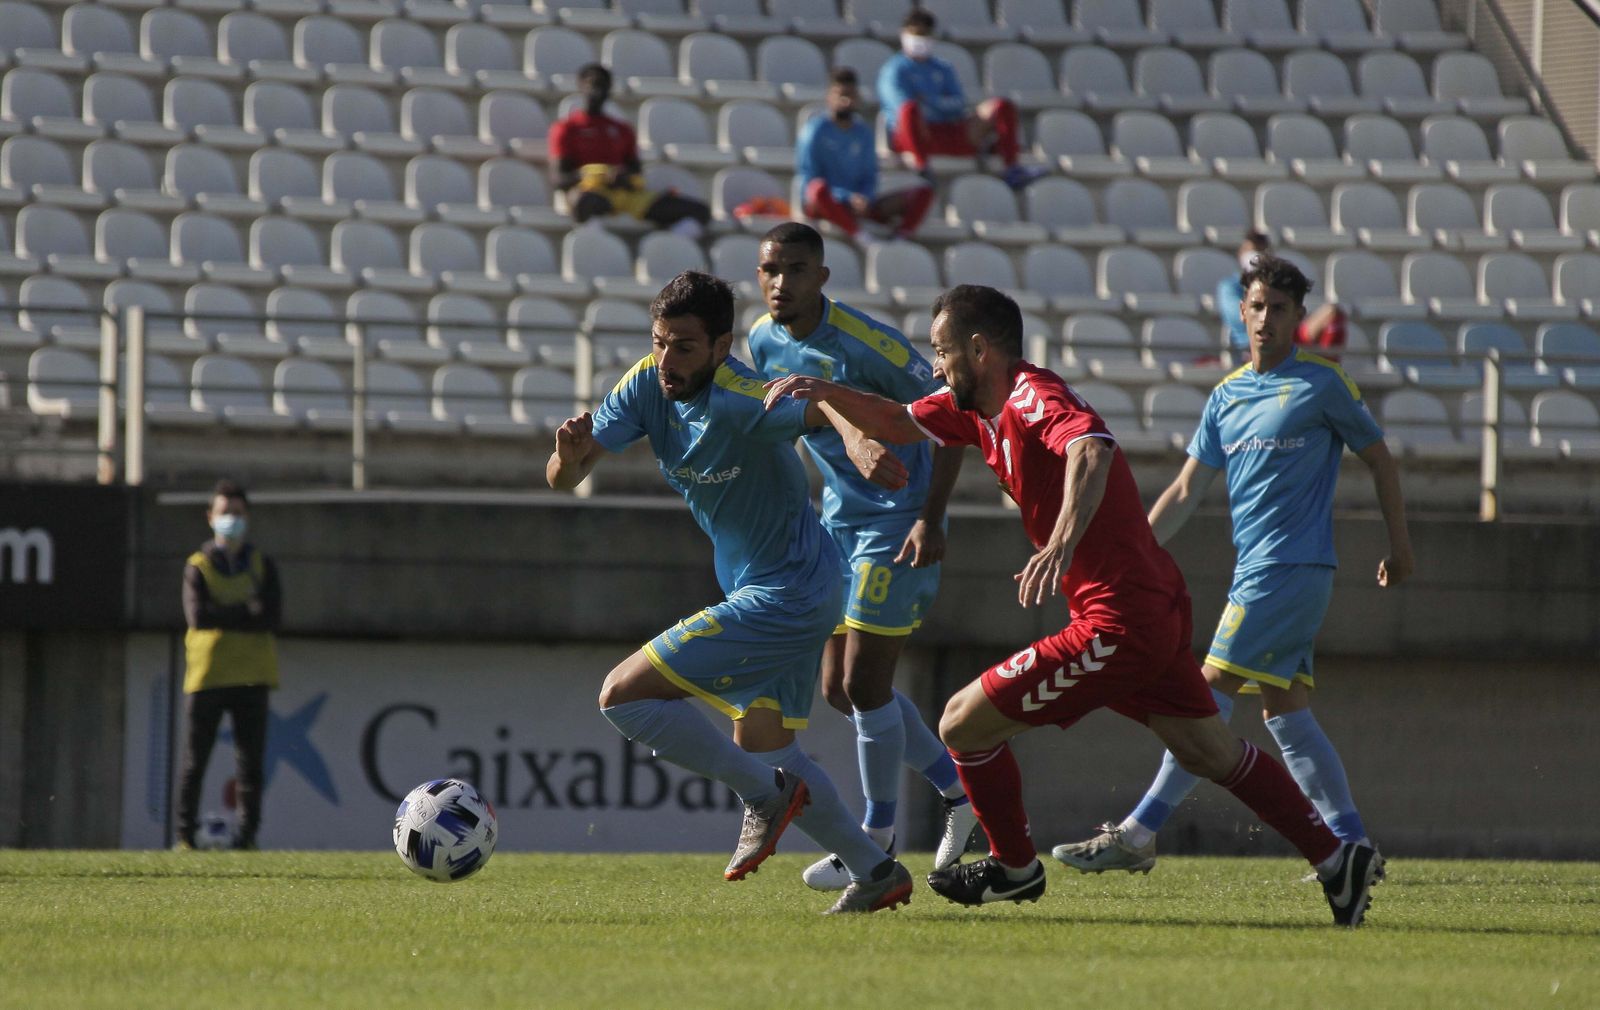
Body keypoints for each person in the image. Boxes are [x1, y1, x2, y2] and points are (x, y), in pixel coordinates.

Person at [763, 284, 1386, 927]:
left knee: (961, 724)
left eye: (943, 351)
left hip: (1119, 617)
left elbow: (1091, 447)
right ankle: (1337, 858)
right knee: (1209, 751)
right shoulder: (972, 407)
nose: (937, 363)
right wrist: (825, 392)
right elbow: (894, 421)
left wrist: (1061, 541)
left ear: (980, 350)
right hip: (1149, 605)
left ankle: (1013, 868)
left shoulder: (1032, 394)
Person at [545, 270, 913, 915]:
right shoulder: (645, 384)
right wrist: (570, 456)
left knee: (622, 696)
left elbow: (814, 402)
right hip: (783, 584)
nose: (667, 359)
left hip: (791, 592)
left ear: (721, 347)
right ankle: (874, 869)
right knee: (768, 745)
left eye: (684, 346)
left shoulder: (742, 395)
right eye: (659, 341)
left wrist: (856, 439)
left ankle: (766, 795)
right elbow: (562, 479)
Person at [1052, 255, 1414, 877]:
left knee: (1204, 694)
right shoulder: (1226, 395)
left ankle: (1138, 833)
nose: (1265, 318)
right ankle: (1354, 845)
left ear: (1300, 317)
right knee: (1286, 710)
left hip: (1290, 566)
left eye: (1279, 308)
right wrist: (1130, 547)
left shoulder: (1322, 383)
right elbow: (1188, 489)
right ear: (1240, 312)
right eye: (1256, 306)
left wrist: (1400, 546)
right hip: (1264, 567)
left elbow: (1380, 459)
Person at [745, 222, 977, 891]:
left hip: (897, 524)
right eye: (770, 270)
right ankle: (959, 795)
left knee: (868, 685)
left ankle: (873, 841)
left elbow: (951, 418)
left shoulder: (866, 343)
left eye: (795, 269)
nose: (781, 283)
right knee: (837, 689)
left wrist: (932, 518)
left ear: (822, 276)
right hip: (838, 525)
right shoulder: (763, 341)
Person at [176, 479, 281, 851]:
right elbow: (198, 616)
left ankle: (247, 838)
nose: (231, 520)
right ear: (210, 517)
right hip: (208, 675)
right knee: (195, 762)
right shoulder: (198, 565)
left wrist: (227, 614)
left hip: (253, 675)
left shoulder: (261, 564)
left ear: (247, 516)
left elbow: (270, 616)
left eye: (237, 513)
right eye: (224, 513)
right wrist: (244, 611)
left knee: (250, 765)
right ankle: (185, 837)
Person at [876, 9, 1046, 191]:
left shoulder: (942, 68)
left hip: (949, 130)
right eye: (915, 34)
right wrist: (934, 106)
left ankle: (1012, 169)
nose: (920, 40)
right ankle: (922, 168)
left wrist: (931, 102)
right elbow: (901, 107)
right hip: (917, 137)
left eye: (924, 35)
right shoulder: (894, 71)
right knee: (910, 110)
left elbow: (958, 104)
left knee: (1001, 106)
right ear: (904, 35)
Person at [548, 64, 711, 238]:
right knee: (584, 203)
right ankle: (598, 246)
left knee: (699, 211)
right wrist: (597, 175)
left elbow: (636, 171)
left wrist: (623, 178)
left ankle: (668, 247)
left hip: (627, 197)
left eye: (602, 85)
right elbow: (560, 179)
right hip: (592, 193)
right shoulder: (566, 128)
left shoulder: (622, 129)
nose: (597, 91)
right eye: (592, 84)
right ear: (581, 87)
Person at [798, 68, 934, 242]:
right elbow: (809, 179)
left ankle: (901, 238)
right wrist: (847, 197)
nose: (846, 101)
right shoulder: (815, 131)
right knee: (817, 190)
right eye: (841, 95)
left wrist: (864, 198)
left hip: (860, 205)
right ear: (829, 97)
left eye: (851, 95)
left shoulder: (863, 133)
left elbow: (870, 175)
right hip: (829, 203)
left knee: (923, 191)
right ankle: (859, 236)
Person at [1218, 233, 1346, 358]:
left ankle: (1323, 365)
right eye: (1253, 250)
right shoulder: (1230, 286)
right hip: (1252, 346)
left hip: (1285, 335)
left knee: (1332, 312)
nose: (1257, 255)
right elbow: (1246, 320)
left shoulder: (1279, 284)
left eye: (1262, 250)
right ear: (1241, 252)